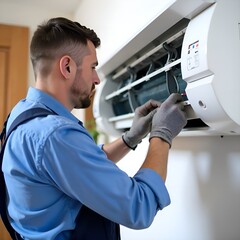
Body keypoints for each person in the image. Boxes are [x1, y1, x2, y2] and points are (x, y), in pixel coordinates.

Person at [2, 17, 187, 240]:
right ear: (67, 66)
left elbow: (84, 164)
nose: (97, 79)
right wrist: (162, 134)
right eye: (93, 67)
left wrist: (130, 137)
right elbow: (139, 207)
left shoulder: (22, 114)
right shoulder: (55, 135)